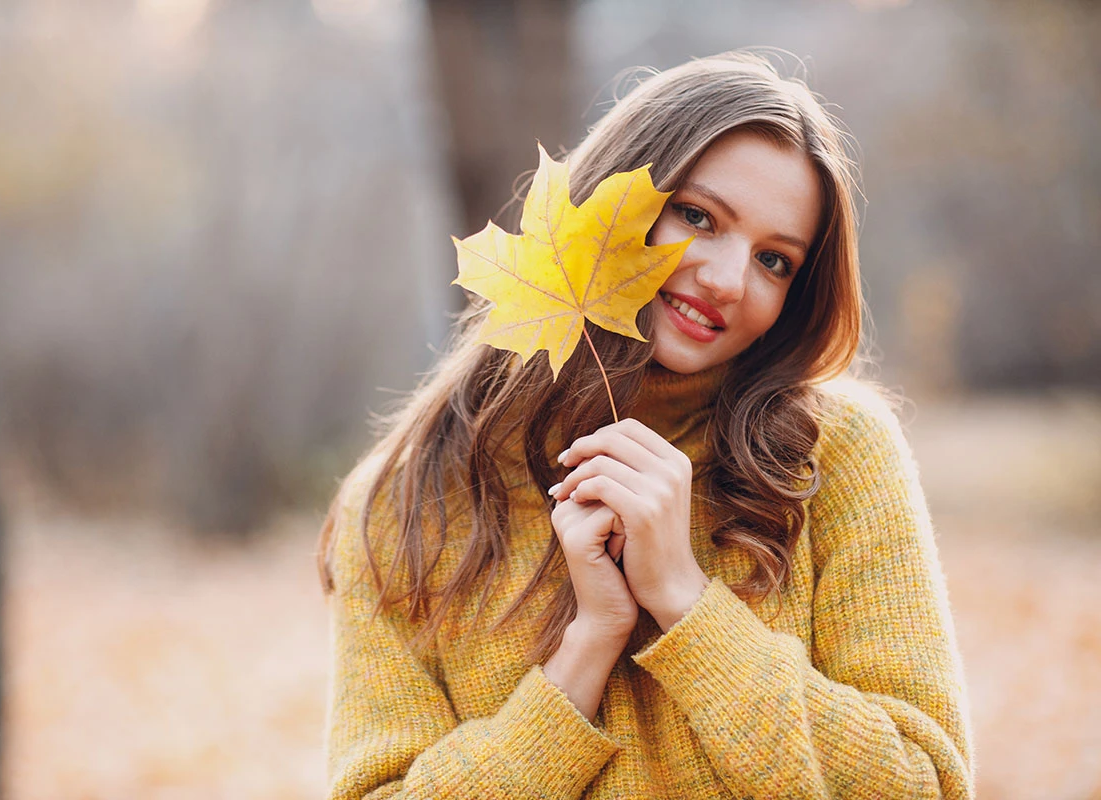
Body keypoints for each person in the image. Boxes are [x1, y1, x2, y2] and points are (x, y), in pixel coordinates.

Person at [317, 51, 975, 799]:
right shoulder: (407, 506)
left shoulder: (832, 456)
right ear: (611, 204)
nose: (728, 281)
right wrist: (585, 652)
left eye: (774, 261)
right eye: (698, 217)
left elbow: (923, 784)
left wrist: (687, 603)